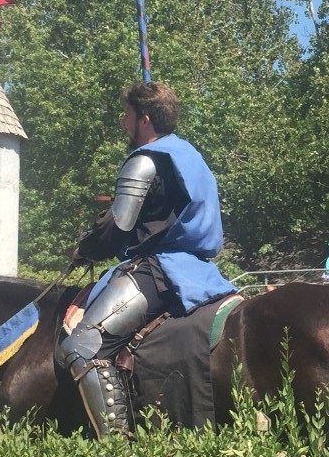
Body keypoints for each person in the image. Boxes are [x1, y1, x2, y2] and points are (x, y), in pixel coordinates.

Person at [54, 81, 236, 436]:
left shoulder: (145, 161)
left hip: (160, 271)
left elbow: (118, 226)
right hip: (204, 273)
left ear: (145, 119)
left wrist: (84, 249)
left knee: (82, 348)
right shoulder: (192, 156)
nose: (124, 122)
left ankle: (114, 451)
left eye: (127, 115)